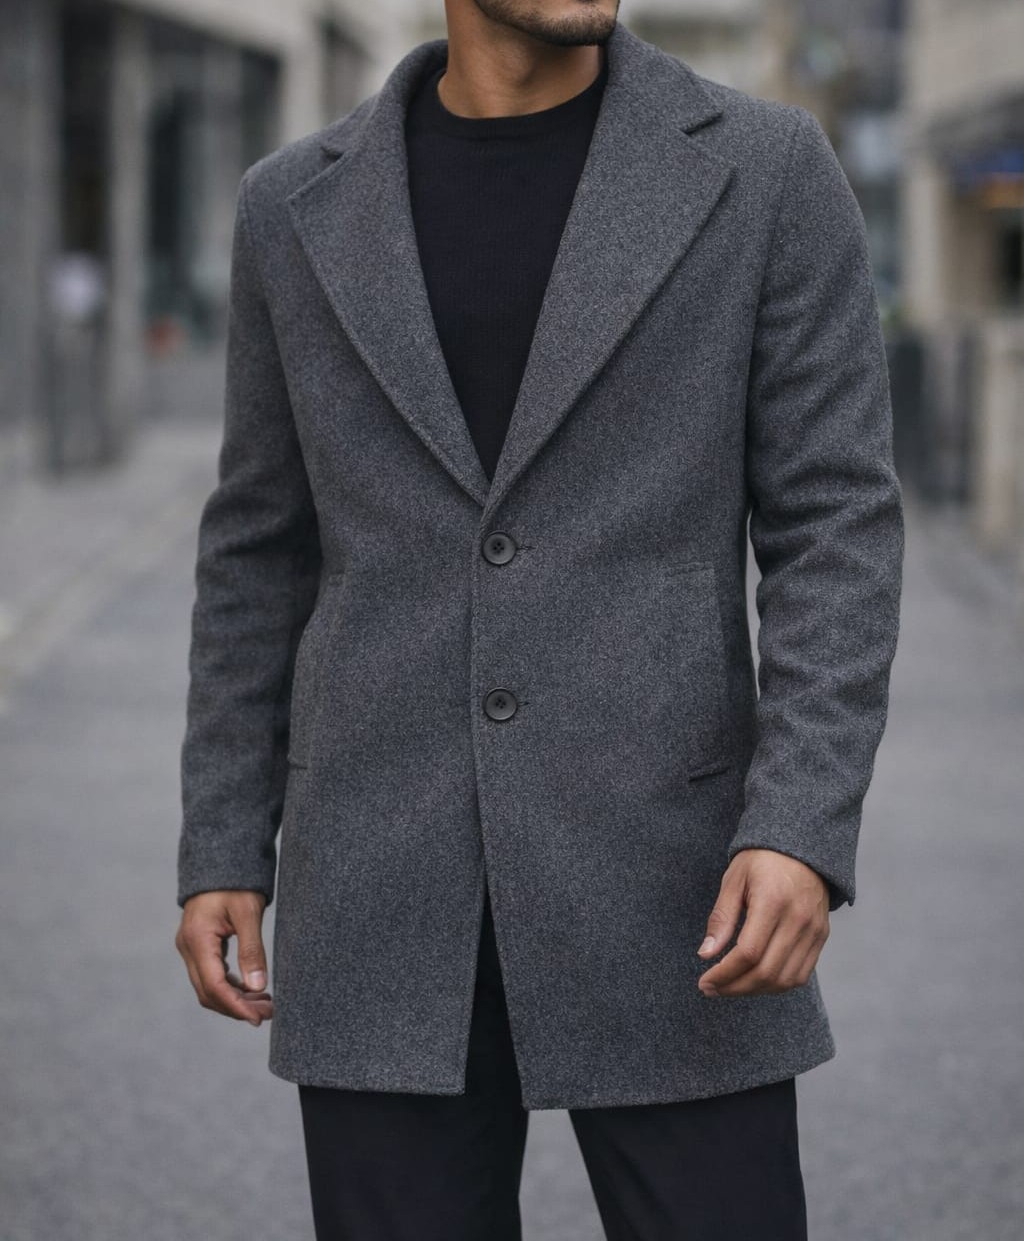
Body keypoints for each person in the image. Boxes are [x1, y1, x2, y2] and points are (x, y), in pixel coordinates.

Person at [175, 3, 905, 1238]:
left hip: (679, 876)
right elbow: (259, 548)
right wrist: (222, 844)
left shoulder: (766, 170)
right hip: (379, 874)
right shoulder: (290, 204)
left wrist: (800, 820)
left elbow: (836, 522)